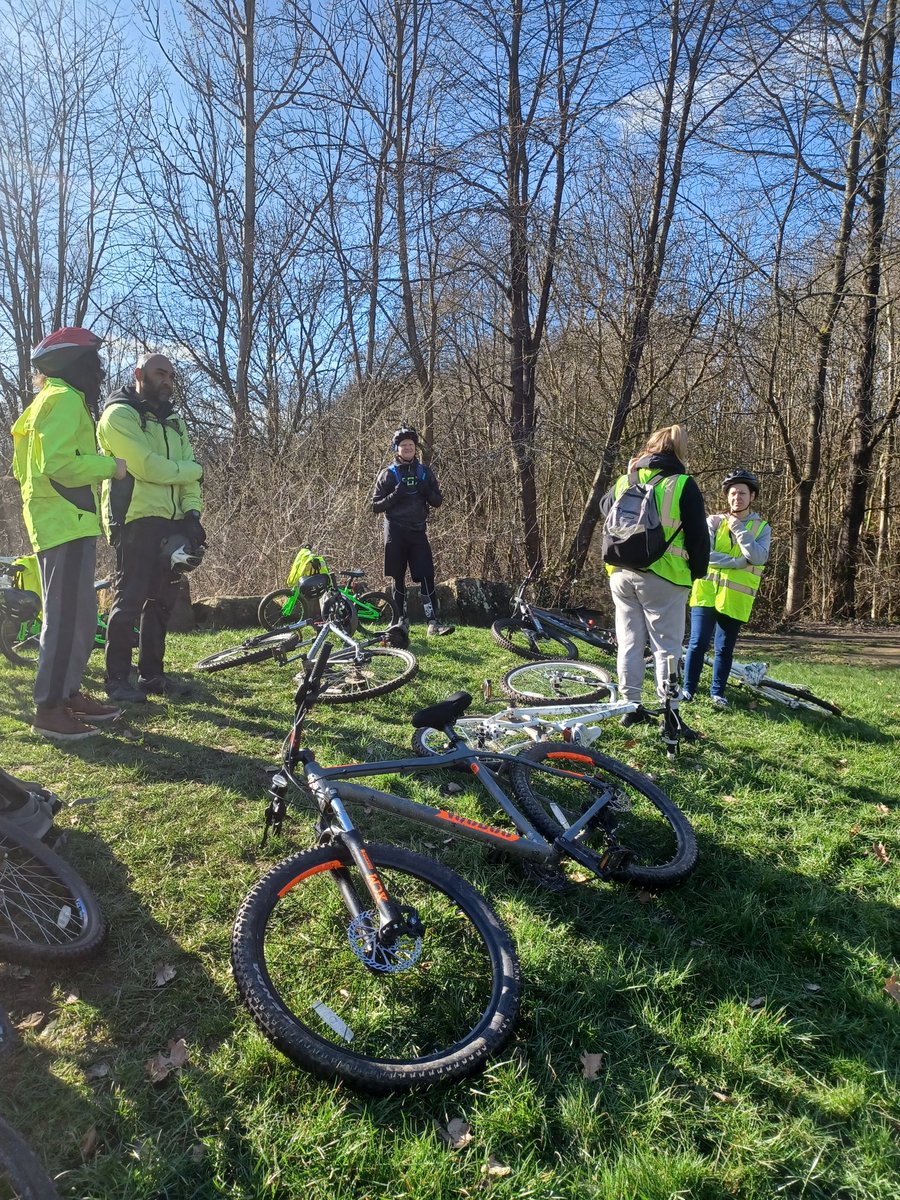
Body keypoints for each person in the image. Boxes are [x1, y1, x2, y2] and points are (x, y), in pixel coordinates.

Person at [10, 327, 127, 741]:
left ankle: (67, 694)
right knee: (64, 619)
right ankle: (49, 709)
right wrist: (109, 465)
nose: (98, 372)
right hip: (65, 523)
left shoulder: (51, 401)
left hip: (62, 522)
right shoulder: (62, 400)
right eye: (92, 363)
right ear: (72, 365)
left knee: (78, 617)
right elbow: (59, 464)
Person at [97, 354, 205, 701]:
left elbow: (185, 471)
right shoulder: (118, 414)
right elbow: (145, 467)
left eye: (172, 376)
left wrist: (192, 513)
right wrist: (193, 470)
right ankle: (116, 680)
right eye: (161, 373)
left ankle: (152, 676)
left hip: (174, 520)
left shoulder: (174, 419)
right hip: (135, 518)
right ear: (139, 374)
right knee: (129, 599)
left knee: (161, 601)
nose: (168, 380)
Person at [605, 423, 709, 735]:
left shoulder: (628, 478)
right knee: (667, 647)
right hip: (663, 577)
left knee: (629, 642)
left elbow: (604, 509)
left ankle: (630, 706)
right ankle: (670, 714)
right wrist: (697, 572)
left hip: (621, 573)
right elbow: (698, 538)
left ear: (650, 448)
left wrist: (628, 474)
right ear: (679, 451)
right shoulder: (682, 484)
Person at [682, 469, 771, 708]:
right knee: (697, 643)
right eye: (732, 493)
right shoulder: (712, 521)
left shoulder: (762, 528)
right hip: (706, 592)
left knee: (724, 649)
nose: (736, 498)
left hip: (735, 598)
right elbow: (706, 555)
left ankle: (717, 693)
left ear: (752, 496)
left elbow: (758, 557)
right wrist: (739, 562)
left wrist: (739, 529)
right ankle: (688, 689)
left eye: (742, 493)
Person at [371, 426, 454, 636]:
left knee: (426, 576)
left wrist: (424, 488)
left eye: (411, 445)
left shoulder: (424, 472)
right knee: (397, 578)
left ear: (415, 448)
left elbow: (438, 501)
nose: (408, 448)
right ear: (396, 449)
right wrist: (397, 494)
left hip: (418, 532)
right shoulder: (388, 474)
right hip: (395, 533)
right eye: (403, 445)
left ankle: (433, 623)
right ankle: (400, 621)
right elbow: (376, 506)